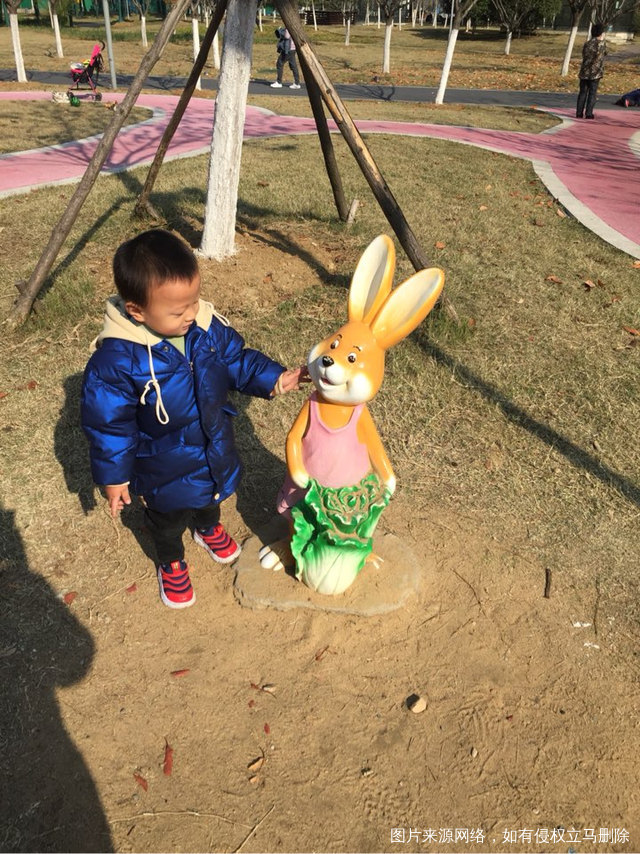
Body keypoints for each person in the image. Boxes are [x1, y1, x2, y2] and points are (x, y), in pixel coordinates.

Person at [81, 229, 306, 609]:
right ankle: (171, 560)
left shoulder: (204, 327)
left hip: (212, 445)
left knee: (210, 495)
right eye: (177, 311)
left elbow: (236, 359)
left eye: (194, 301)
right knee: (168, 519)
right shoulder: (116, 361)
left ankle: (206, 527)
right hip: (160, 464)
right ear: (137, 310)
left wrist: (274, 378)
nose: (190, 314)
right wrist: (114, 476)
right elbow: (109, 426)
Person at [576, 23, 607, 120]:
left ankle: (579, 113)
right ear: (601, 33)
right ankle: (589, 113)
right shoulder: (601, 44)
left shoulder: (587, 43)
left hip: (584, 71)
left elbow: (584, 55)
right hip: (595, 73)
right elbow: (604, 53)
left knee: (582, 92)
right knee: (592, 93)